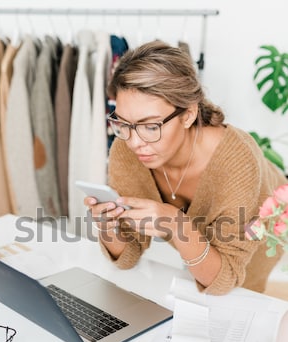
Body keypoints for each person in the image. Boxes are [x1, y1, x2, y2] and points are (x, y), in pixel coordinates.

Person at [84, 40, 287, 295]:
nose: (135, 142)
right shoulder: (126, 150)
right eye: (123, 124)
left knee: (238, 304)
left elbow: (223, 280)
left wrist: (175, 223)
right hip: (199, 239)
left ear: (188, 114)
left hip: (261, 227)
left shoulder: (237, 161)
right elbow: (127, 256)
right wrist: (108, 226)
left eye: (150, 126)